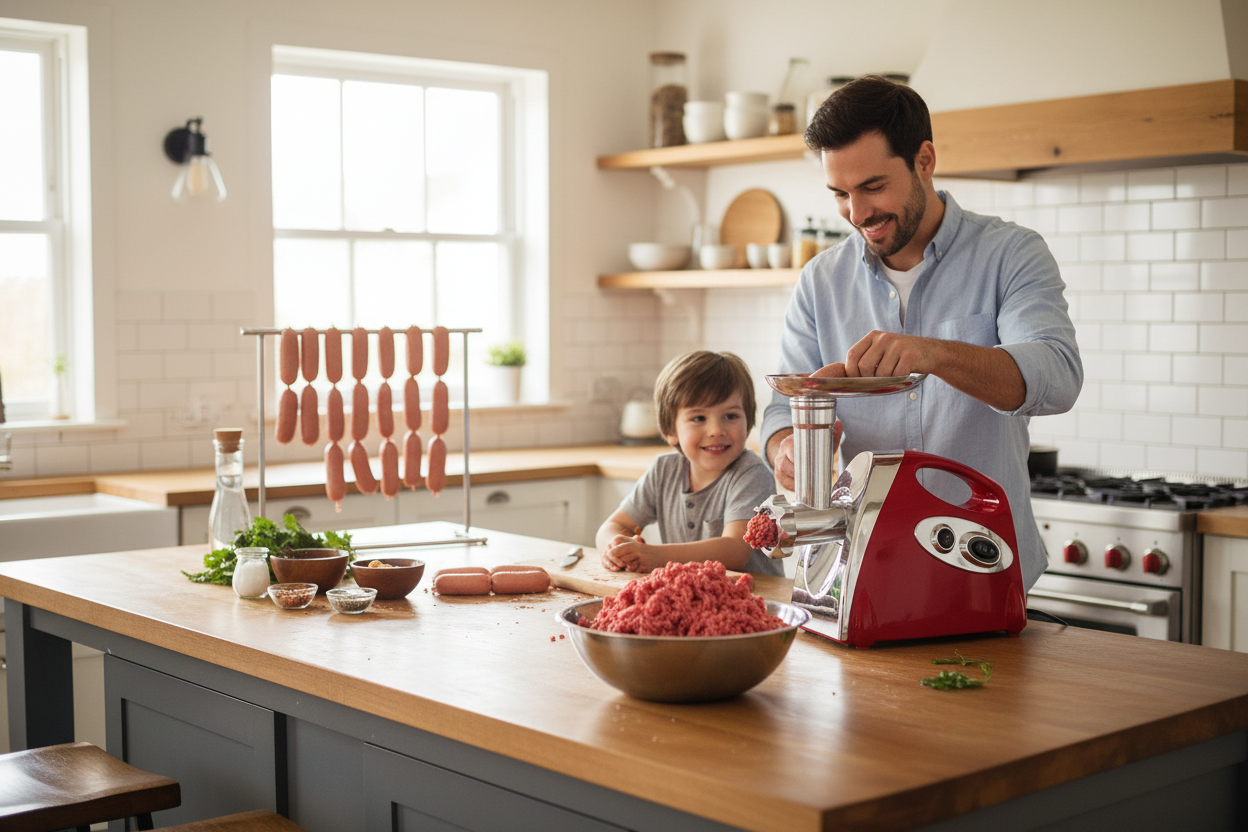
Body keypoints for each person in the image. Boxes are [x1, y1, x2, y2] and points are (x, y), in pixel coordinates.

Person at [760, 76, 1082, 589]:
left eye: (873, 187)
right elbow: (782, 408)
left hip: (986, 571)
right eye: (840, 193)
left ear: (924, 161)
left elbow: (1057, 376)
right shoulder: (821, 281)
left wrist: (933, 354)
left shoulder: (1011, 254)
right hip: (867, 572)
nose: (857, 213)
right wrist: (787, 450)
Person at [597, 350, 783, 576]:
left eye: (731, 416)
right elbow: (612, 526)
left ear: (749, 420)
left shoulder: (751, 473)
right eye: (698, 418)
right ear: (670, 431)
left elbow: (735, 550)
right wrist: (614, 548)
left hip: (754, 600)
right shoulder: (663, 471)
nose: (716, 430)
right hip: (693, 600)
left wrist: (653, 555)